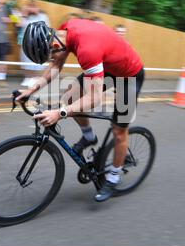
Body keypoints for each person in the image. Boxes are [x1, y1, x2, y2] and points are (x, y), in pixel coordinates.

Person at [16, 19, 145, 202]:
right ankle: (88, 136)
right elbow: (56, 66)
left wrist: (59, 113)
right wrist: (30, 90)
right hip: (107, 67)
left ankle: (114, 177)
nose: (51, 61)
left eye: (50, 56)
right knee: (69, 97)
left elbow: (95, 98)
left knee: (119, 131)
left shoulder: (87, 50)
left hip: (130, 75)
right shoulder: (64, 31)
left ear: (54, 44)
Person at [18, 0, 50, 88]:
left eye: (34, 7)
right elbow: (20, 25)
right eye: (30, 7)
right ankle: (27, 78)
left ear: (38, 8)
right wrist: (24, 15)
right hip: (26, 42)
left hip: (39, 43)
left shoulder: (43, 16)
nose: (32, 9)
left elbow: (47, 28)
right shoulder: (24, 16)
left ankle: (35, 78)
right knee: (26, 60)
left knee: (37, 61)